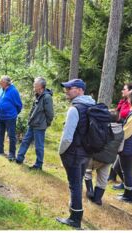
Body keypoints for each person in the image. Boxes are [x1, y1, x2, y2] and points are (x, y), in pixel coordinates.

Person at [56, 79, 95, 229]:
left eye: (69, 88)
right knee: (78, 182)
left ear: (79, 90)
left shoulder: (75, 109)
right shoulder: (92, 104)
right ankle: (75, 209)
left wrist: (61, 152)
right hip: (87, 152)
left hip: (73, 153)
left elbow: (67, 137)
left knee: (74, 184)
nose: (66, 91)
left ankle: (75, 218)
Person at [84, 110, 124, 205]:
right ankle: (97, 199)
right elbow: (120, 149)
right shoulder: (122, 132)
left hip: (96, 156)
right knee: (103, 178)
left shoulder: (102, 127)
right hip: (109, 159)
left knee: (87, 171)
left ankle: (90, 191)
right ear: (118, 119)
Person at [16, 77, 54, 170]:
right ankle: (19, 158)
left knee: (39, 146)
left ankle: (38, 165)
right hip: (32, 124)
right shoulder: (37, 94)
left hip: (40, 126)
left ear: (40, 86)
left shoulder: (47, 97)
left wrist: (46, 123)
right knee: (25, 141)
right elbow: (34, 110)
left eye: (35, 84)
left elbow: (50, 113)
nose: (33, 85)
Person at [108, 83, 132, 188]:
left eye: (124, 89)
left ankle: (129, 193)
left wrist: (118, 135)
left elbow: (128, 131)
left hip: (128, 143)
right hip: (125, 140)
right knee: (119, 167)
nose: (122, 91)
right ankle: (126, 187)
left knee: (125, 170)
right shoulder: (126, 103)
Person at [113, 90, 132, 203]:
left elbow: (126, 132)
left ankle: (129, 196)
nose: (127, 100)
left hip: (128, 147)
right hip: (130, 147)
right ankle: (129, 191)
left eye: (128, 98)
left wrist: (115, 135)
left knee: (126, 171)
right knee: (117, 168)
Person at [0, 76, 23, 161]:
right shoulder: (1, 89)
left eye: (1, 81)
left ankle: (12, 154)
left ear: (7, 82)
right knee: (0, 133)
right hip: (1, 116)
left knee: (11, 135)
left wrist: (13, 114)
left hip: (10, 117)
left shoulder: (13, 91)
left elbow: (19, 105)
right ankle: (0, 149)